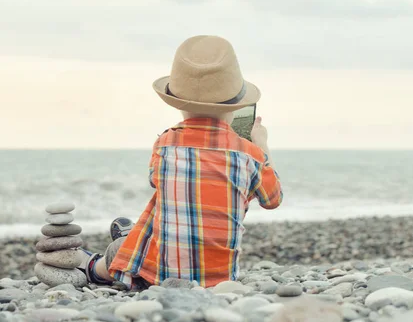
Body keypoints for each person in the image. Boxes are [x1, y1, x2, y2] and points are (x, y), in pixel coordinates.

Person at [78, 35, 283, 289]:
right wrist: (261, 145)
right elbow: (273, 199)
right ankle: (128, 239)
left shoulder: (165, 143)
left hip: (162, 274)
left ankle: (97, 267)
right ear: (234, 108)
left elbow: (155, 180)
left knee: (162, 204)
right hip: (219, 280)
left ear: (180, 105)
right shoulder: (250, 154)